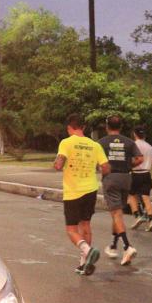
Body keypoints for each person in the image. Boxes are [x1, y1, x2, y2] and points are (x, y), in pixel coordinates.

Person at [54, 114, 109, 275]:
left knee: (71, 229)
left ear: (69, 128)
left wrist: (57, 163)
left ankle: (88, 250)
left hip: (73, 192)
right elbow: (105, 167)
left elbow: (59, 164)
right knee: (85, 225)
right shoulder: (95, 145)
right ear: (83, 127)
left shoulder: (66, 142)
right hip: (91, 189)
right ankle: (84, 263)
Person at [98, 115, 142, 265]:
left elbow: (98, 163)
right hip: (126, 178)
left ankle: (127, 246)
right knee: (118, 213)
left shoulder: (101, 143)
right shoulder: (129, 142)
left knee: (116, 213)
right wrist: (129, 166)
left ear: (106, 126)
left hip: (111, 178)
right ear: (121, 126)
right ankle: (113, 245)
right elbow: (140, 159)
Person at [128, 125, 152, 232]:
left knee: (132, 195)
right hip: (146, 174)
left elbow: (130, 159)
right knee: (146, 198)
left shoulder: (132, 145)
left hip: (135, 174)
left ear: (135, 134)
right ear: (144, 135)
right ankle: (150, 222)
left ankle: (137, 216)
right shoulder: (149, 147)